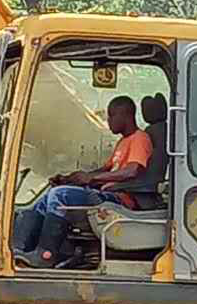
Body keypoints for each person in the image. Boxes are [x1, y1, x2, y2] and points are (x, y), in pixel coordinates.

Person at [13, 94, 153, 268]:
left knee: (60, 195)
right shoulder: (124, 142)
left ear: (125, 115)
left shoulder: (140, 139)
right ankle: (20, 249)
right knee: (49, 195)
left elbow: (133, 170)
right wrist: (71, 179)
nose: (108, 120)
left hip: (121, 199)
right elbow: (104, 170)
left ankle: (46, 255)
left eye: (111, 115)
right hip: (107, 194)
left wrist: (91, 179)